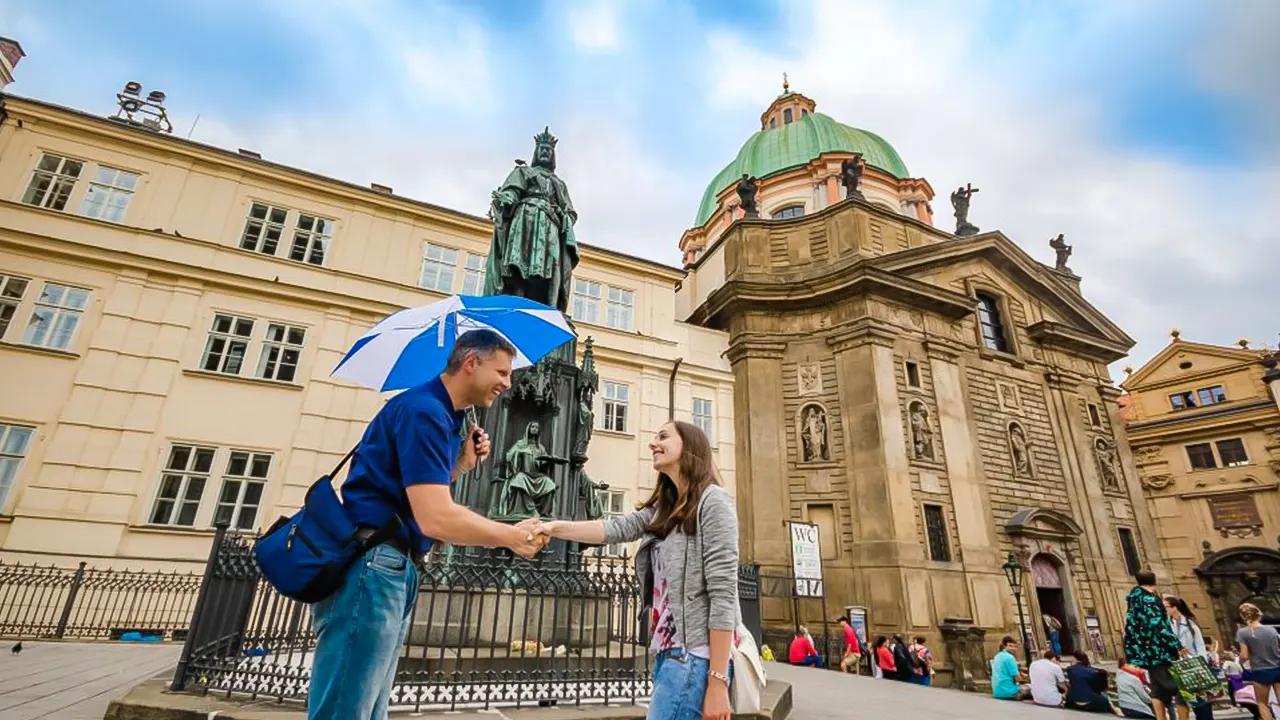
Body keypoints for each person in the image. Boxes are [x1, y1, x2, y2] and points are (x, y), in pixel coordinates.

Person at [308, 330, 547, 720]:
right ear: (471, 363)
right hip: (373, 566)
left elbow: (410, 496)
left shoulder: (438, 414)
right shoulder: (425, 411)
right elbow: (434, 516)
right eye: (502, 372)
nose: (507, 383)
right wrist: (512, 536)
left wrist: (461, 466)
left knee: (368, 708)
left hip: (392, 565)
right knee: (347, 710)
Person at [534, 420, 739, 720]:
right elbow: (613, 529)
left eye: (663, 436)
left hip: (695, 657)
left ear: (690, 446)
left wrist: (717, 682)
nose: (653, 443)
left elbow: (724, 595)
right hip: (670, 654)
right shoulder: (664, 509)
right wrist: (552, 528)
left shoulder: (714, 503)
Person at [1123, 570, 1189, 720]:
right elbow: (1158, 625)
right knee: (1181, 689)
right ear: (1154, 582)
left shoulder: (1133, 598)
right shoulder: (1149, 599)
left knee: (1157, 689)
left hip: (1145, 652)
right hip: (1160, 650)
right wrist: (1177, 644)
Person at [1166, 596, 1214, 720]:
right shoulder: (1166, 625)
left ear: (1174, 608)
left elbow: (1200, 646)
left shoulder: (1191, 624)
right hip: (1177, 667)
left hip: (1194, 666)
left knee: (1200, 701)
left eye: (1165, 607)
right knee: (1180, 699)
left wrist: (1202, 665)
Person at [1236, 602, 1280, 720]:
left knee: (1262, 703)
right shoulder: (1271, 630)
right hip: (1277, 668)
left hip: (1260, 670)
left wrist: (1240, 663)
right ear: (1259, 614)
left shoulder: (1243, 633)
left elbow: (1244, 655)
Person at [1064, 650, 1121, 715]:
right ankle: (1113, 709)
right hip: (1090, 701)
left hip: (1072, 700)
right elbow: (1100, 688)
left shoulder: (1070, 670)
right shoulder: (1094, 672)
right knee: (1104, 697)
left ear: (1076, 659)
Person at [992, 635, 1031, 700]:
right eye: (1010, 646)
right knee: (1033, 688)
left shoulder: (997, 656)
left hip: (997, 692)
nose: (1013, 648)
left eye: (1015, 646)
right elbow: (1017, 679)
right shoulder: (1010, 657)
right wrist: (1027, 678)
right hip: (1010, 693)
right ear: (1004, 646)